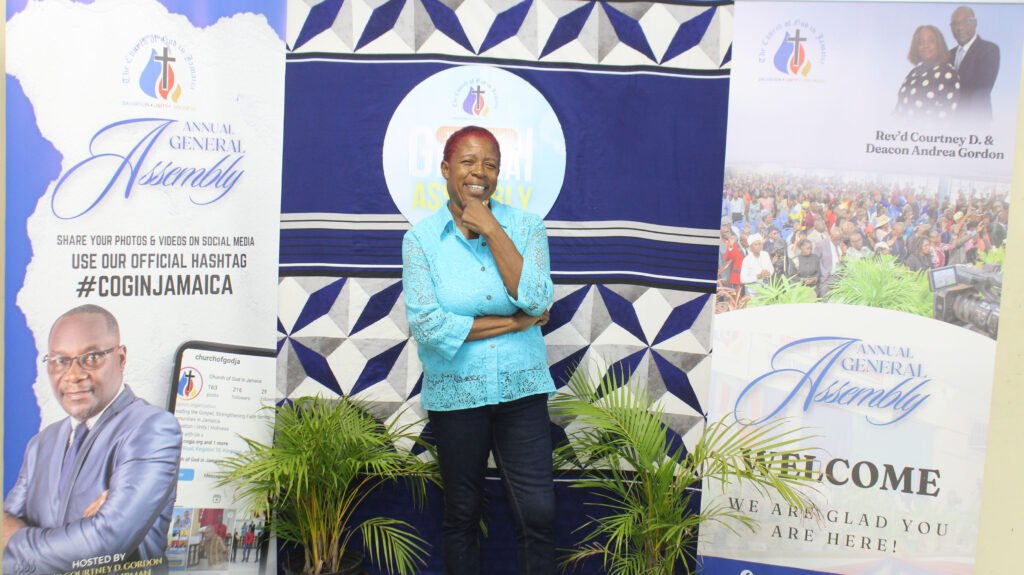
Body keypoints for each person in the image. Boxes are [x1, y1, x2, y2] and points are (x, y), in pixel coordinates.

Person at [402, 126, 555, 575]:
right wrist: (513, 322)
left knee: (538, 514)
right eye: (468, 162)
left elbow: (536, 299)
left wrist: (492, 229)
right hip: (456, 394)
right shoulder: (422, 241)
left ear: (499, 174)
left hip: (521, 391)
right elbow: (428, 326)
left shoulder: (526, 227)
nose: (479, 172)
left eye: (490, 164)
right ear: (446, 169)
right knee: (462, 514)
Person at [2, 304, 182, 575]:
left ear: (121, 358)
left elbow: (105, 544)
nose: (73, 375)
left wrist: (16, 539)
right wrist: (82, 532)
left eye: (92, 357)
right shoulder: (40, 444)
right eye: (60, 361)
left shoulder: (153, 428)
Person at [895, 25, 960, 120]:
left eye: (931, 41)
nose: (925, 45)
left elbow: (945, 119)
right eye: (920, 42)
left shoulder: (947, 75)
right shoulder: (913, 73)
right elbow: (899, 109)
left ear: (939, 44)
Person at [949, 6, 999, 121]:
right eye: (955, 24)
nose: (959, 28)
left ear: (975, 23)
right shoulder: (948, 55)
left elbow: (981, 89)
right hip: (948, 124)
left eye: (965, 22)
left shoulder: (989, 50)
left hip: (975, 122)